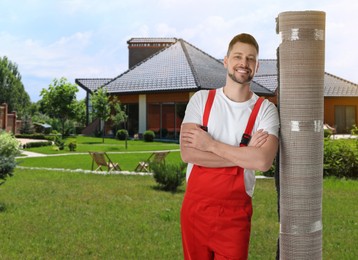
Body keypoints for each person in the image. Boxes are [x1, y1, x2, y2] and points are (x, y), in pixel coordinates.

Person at [180, 33, 279, 260]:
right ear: (226, 61)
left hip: (235, 218)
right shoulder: (201, 100)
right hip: (195, 212)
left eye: (250, 59)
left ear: (257, 65)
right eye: (238, 57)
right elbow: (188, 153)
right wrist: (244, 154)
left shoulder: (265, 110)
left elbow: (262, 161)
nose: (243, 63)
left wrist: (210, 144)